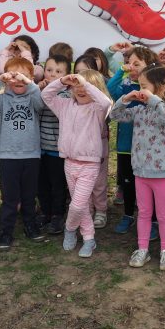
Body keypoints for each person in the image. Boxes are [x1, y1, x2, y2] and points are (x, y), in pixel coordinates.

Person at [110, 64, 165, 271]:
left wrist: (154, 100)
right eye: (139, 85)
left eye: (143, 86)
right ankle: (143, 249)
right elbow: (114, 116)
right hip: (140, 172)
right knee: (144, 213)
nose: (139, 89)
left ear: (160, 86)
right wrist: (125, 99)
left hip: (163, 173)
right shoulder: (137, 110)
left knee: (164, 214)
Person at [42, 71, 112, 258]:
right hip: (69, 163)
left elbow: (106, 103)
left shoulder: (97, 110)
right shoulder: (64, 106)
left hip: (89, 165)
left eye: (86, 87)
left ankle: (69, 228)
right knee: (81, 206)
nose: (81, 90)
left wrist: (85, 84)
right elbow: (46, 95)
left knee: (76, 205)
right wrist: (62, 81)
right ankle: (89, 239)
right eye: (77, 86)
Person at [0, 57, 45, 249]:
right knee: (10, 198)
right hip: (9, 156)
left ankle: (30, 225)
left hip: (31, 155)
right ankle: (6, 232)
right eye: (14, 76)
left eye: (24, 76)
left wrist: (30, 83)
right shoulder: (2, 100)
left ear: (31, 78)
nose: (18, 80)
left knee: (29, 195)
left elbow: (41, 103)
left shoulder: (33, 98)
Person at [107, 46, 159, 235]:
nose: (132, 67)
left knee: (149, 185)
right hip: (126, 146)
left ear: (150, 66)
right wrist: (122, 70)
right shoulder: (127, 87)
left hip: (148, 148)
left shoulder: (154, 90)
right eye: (130, 63)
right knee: (128, 183)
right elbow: (111, 88)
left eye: (137, 64)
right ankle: (128, 215)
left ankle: (153, 220)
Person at [72, 54, 110, 228]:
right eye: (78, 74)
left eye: (86, 76)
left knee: (99, 181)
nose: (81, 83)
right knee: (82, 182)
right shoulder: (72, 103)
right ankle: (87, 210)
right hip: (79, 151)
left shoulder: (100, 105)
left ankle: (101, 209)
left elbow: (106, 104)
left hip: (99, 146)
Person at [37, 55, 71, 234]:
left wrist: (49, 90)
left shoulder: (66, 94)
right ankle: (45, 212)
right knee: (41, 184)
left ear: (66, 76)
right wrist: (39, 89)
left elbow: (54, 107)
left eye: (58, 72)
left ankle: (58, 215)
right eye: (49, 70)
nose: (52, 74)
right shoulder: (39, 90)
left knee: (57, 184)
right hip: (39, 148)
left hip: (57, 150)